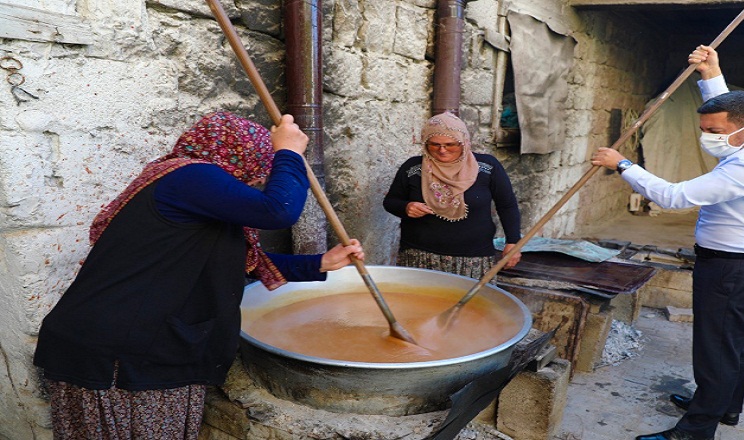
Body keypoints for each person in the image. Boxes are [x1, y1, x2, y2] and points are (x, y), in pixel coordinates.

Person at [33, 111, 364, 439]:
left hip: (134, 345)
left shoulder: (197, 193)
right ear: (240, 155)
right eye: (260, 169)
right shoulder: (190, 177)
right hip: (118, 354)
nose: (258, 180)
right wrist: (289, 152)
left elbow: (234, 260)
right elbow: (278, 209)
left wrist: (319, 264)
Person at [591, 46, 744, 440]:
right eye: (703, 130)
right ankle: (726, 406)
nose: (707, 139)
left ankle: (695, 431)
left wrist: (622, 164)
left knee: (715, 352)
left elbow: (673, 198)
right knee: (733, 342)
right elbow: (727, 115)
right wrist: (711, 74)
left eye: (713, 133)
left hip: (732, 270)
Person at [383, 111, 522, 280]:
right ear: (425, 143)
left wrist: (513, 242)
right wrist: (406, 207)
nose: (442, 151)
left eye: (450, 144)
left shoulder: (487, 167)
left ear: (463, 142)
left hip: (473, 259)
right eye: (434, 144)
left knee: (472, 305)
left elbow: (507, 205)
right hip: (420, 257)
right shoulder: (413, 169)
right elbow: (390, 201)